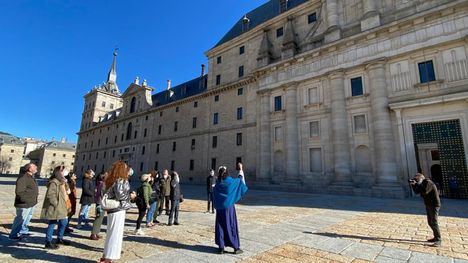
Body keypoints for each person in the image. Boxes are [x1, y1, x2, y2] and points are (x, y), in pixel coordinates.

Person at [100, 161, 136, 263]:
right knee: (115, 234)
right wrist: (131, 196)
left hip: (112, 209)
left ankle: (106, 256)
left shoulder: (111, 179)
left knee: (111, 233)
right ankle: (108, 259)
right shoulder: (121, 180)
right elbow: (121, 196)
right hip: (118, 209)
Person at [213, 163, 248, 254]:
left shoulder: (218, 183)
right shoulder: (230, 181)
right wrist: (240, 169)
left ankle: (221, 247)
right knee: (231, 225)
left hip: (219, 208)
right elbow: (239, 180)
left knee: (220, 226)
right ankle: (236, 247)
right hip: (228, 208)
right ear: (227, 173)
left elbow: (214, 194)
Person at [41, 165, 72, 249]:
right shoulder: (54, 182)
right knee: (52, 223)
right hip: (57, 206)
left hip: (64, 204)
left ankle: (59, 238)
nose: (65, 172)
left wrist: (66, 183)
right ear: (59, 172)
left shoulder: (63, 181)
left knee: (64, 222)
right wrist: (56, 204)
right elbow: (50, 195)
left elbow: (68, 191)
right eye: (63, 170)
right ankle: (48, 242)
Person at [410, 173, 442, 247]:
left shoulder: (428, 182)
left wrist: (417, 184)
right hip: (428, 204)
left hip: (434, 205)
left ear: (421, 178)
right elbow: (417, 192)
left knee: (434, 222)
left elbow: (424, 191)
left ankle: (438, 239)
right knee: (430, 222)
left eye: (417, 179)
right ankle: (435, 237)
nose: (416, 181)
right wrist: (413, 185)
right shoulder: (423, 184)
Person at [9, 163, 39, 240]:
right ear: (29, 169)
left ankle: (23, 231)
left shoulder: (31, 177)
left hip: (31, 203)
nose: (36, 167)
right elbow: (19, 192)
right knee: (20, 219)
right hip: (24, 204)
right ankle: (13, 235)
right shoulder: (23, 177)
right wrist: (26, 201)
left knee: (26, 219)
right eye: (34, 166)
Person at [90, 172, 107, 240]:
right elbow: (103, 194)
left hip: (100, 202)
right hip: (100, 203)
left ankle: (96, 232)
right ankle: (93, 233)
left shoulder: (100, 183)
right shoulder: (102, 184)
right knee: (98, 217)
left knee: (100, 218)